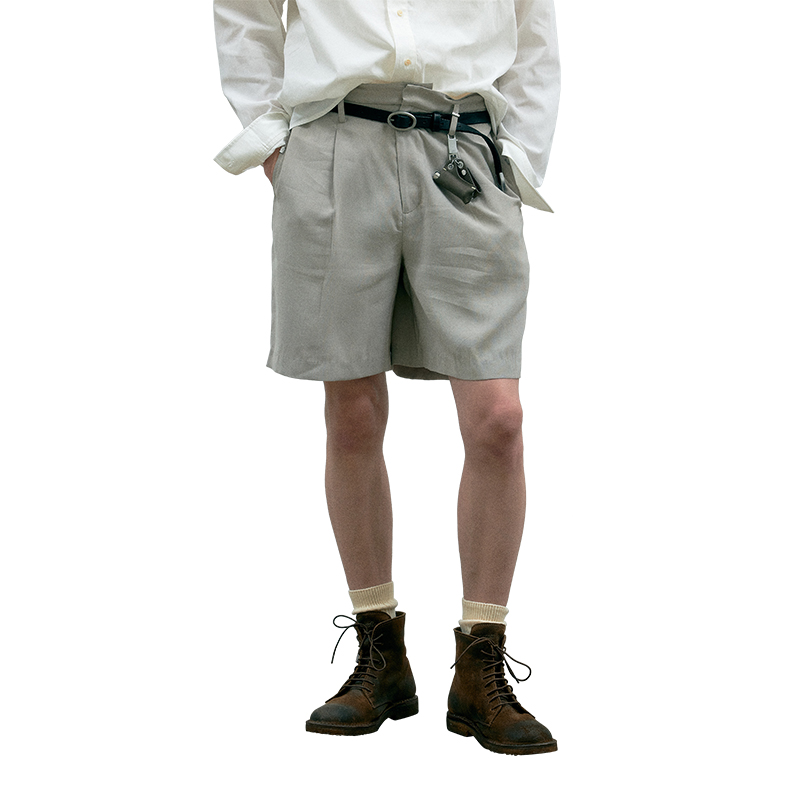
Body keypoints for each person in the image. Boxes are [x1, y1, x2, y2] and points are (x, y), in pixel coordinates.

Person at [213, 0, 561, 755]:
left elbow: (534, 28)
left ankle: (482, 662)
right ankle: (380, 652)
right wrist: (275, 147)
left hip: (465, 152)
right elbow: (244, 12)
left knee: (498, 419)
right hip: (334, 146)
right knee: (353, 412)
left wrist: (519, 158)